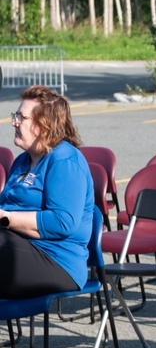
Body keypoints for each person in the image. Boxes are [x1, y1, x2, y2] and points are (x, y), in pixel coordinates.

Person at [0, 85, 95, 299]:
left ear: (44, 125)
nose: (14, 122)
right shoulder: (23, 161)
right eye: (15, 115)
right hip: (21, 247)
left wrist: (6, 219)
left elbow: (62, 222)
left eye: (21, 117)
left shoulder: (65, 160)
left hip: (58, 261)